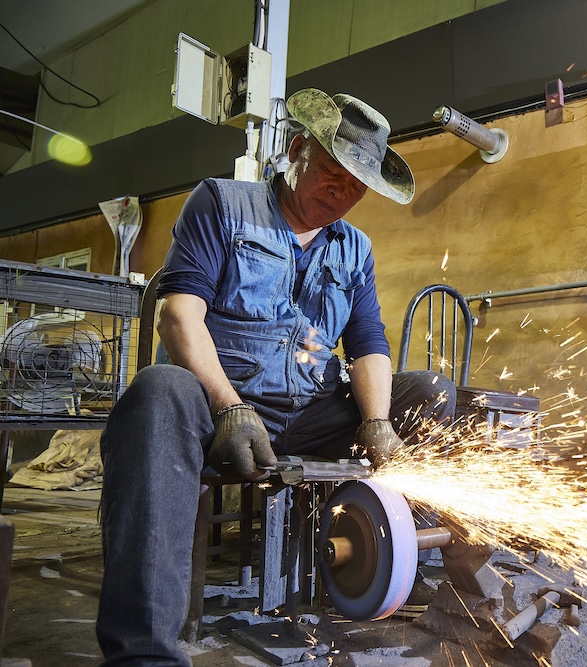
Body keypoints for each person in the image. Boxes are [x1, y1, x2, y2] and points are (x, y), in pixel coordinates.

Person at [96, 89, 456, 666]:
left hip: (311, 413)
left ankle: (408, 573)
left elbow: (367, 344)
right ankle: (145, 654)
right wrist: (228, 407)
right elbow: (178, 314)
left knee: (431, 394)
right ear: (297, 150)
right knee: (156, 394)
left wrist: (379, 421)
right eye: (332, 175)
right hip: (220, 409)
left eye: (356, 188)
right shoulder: (221, 204)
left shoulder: (354, 249)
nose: (340, 196)